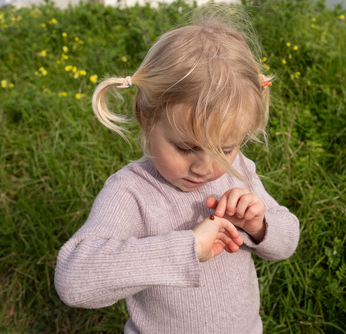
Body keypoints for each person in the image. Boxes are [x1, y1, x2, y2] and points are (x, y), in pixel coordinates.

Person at [55, 7, 299, 334]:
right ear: (146, 117)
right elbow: (74, 280)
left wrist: (259, 225)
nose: (205, 167)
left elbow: (287, 242)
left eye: (225, 149)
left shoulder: (238, 170)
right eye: (185, 147)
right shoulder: (131, 192)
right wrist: (185, 249)